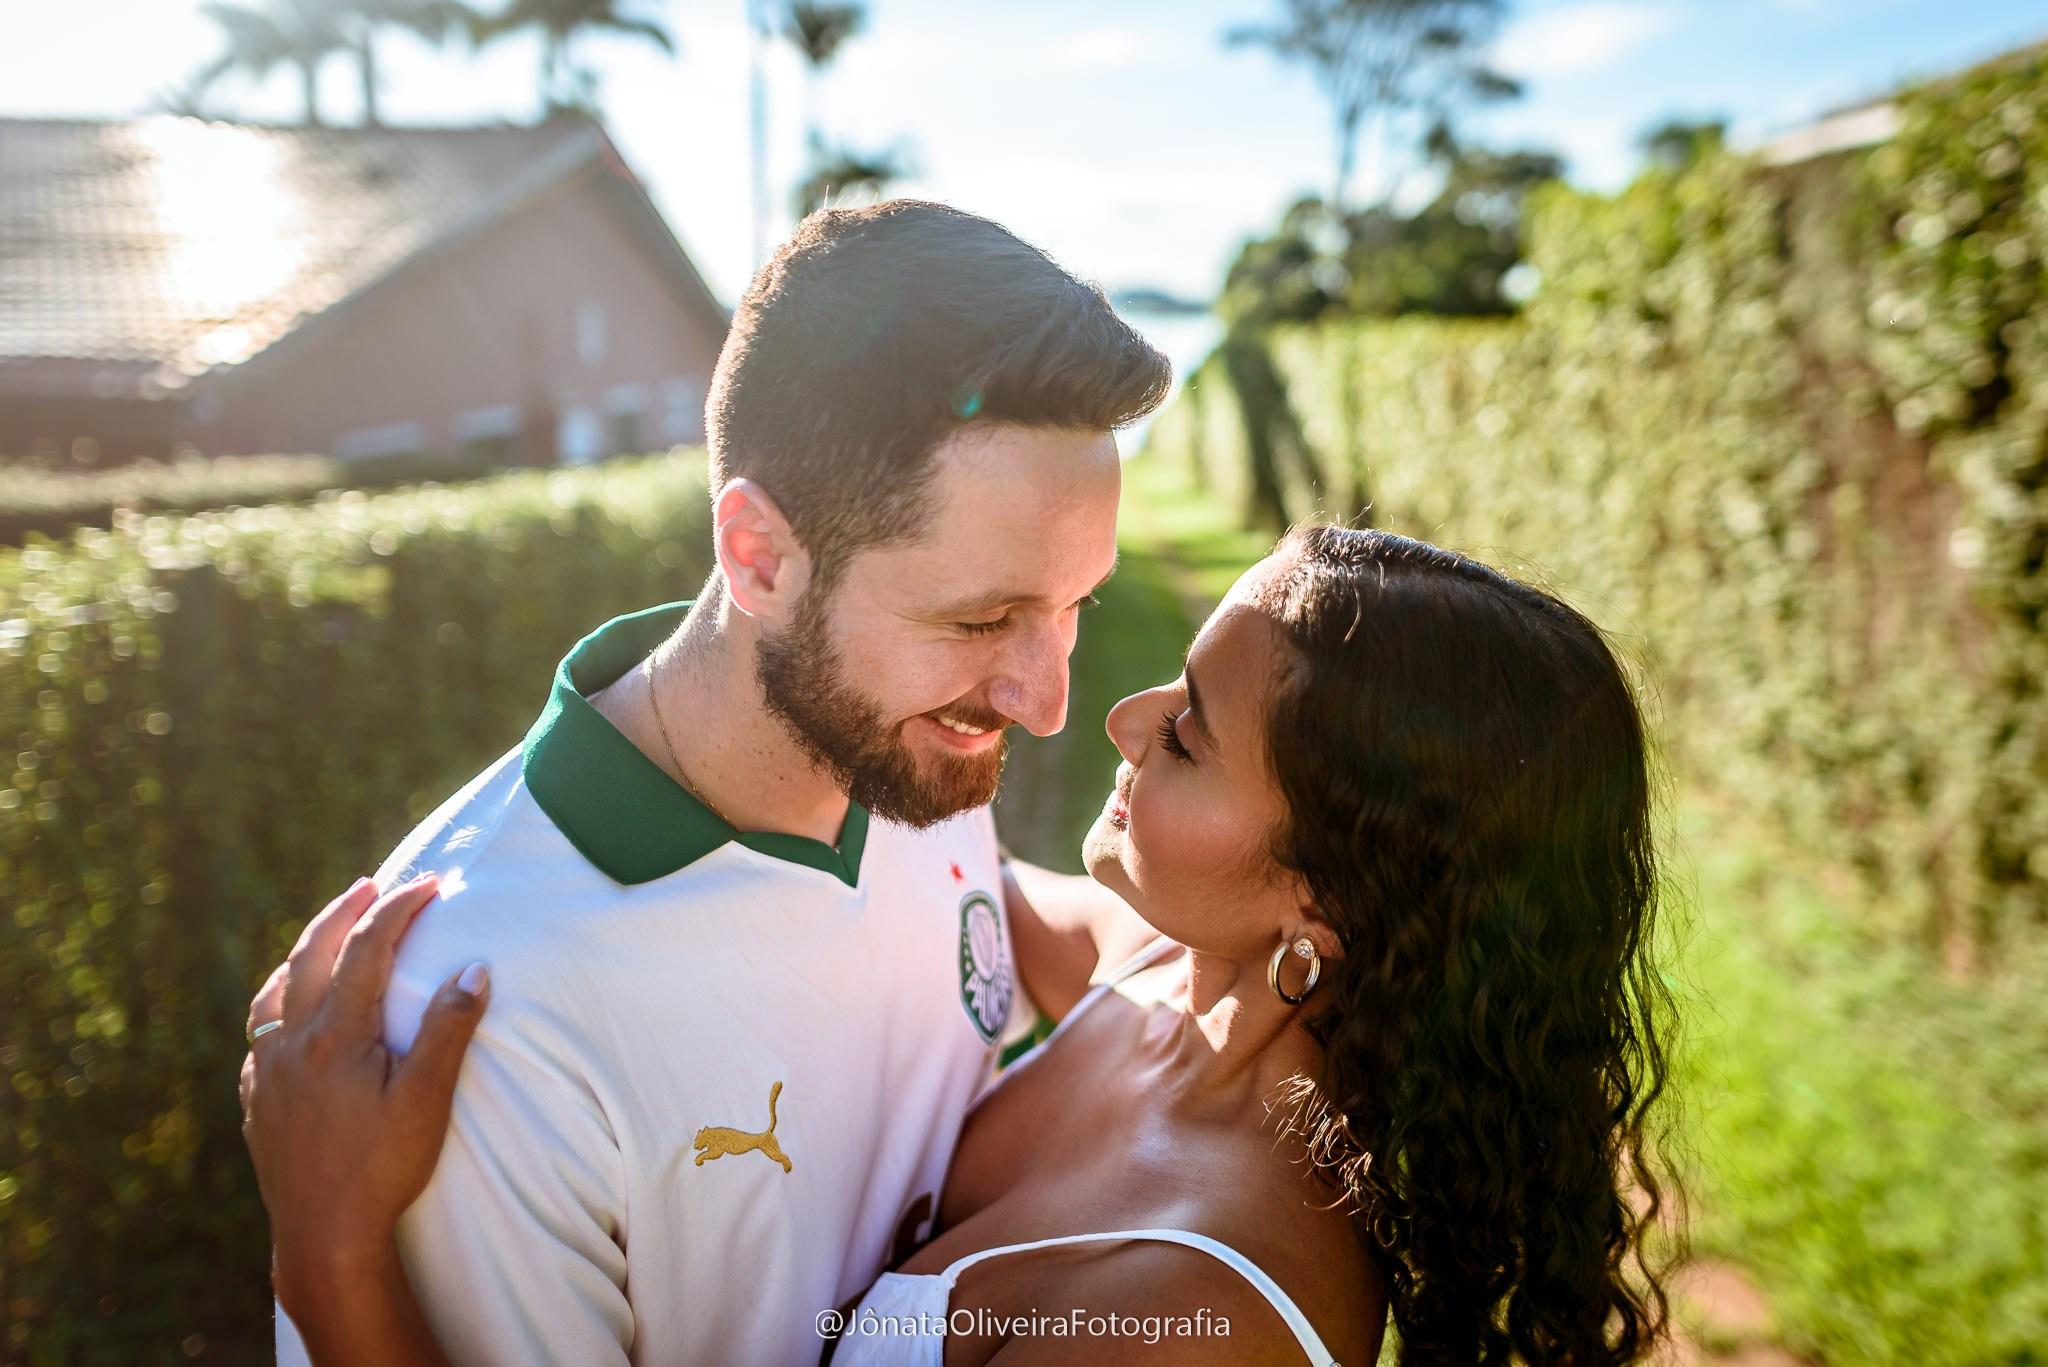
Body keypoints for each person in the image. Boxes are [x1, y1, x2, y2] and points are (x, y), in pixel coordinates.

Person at [244, 525, 1680, 1366]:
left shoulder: (1190, 1320)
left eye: (1185, 732)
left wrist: (330, 1250)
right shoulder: (1159, 970)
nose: (1118, 719)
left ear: (1321, 907)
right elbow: (963, 868)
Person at [241, 199, 1173, 1366]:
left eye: (1072, 602)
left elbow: (1011, 921)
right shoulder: (481, 1016)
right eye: (981, 617)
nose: (1042, 700)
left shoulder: (901, 755)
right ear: (759, 555)